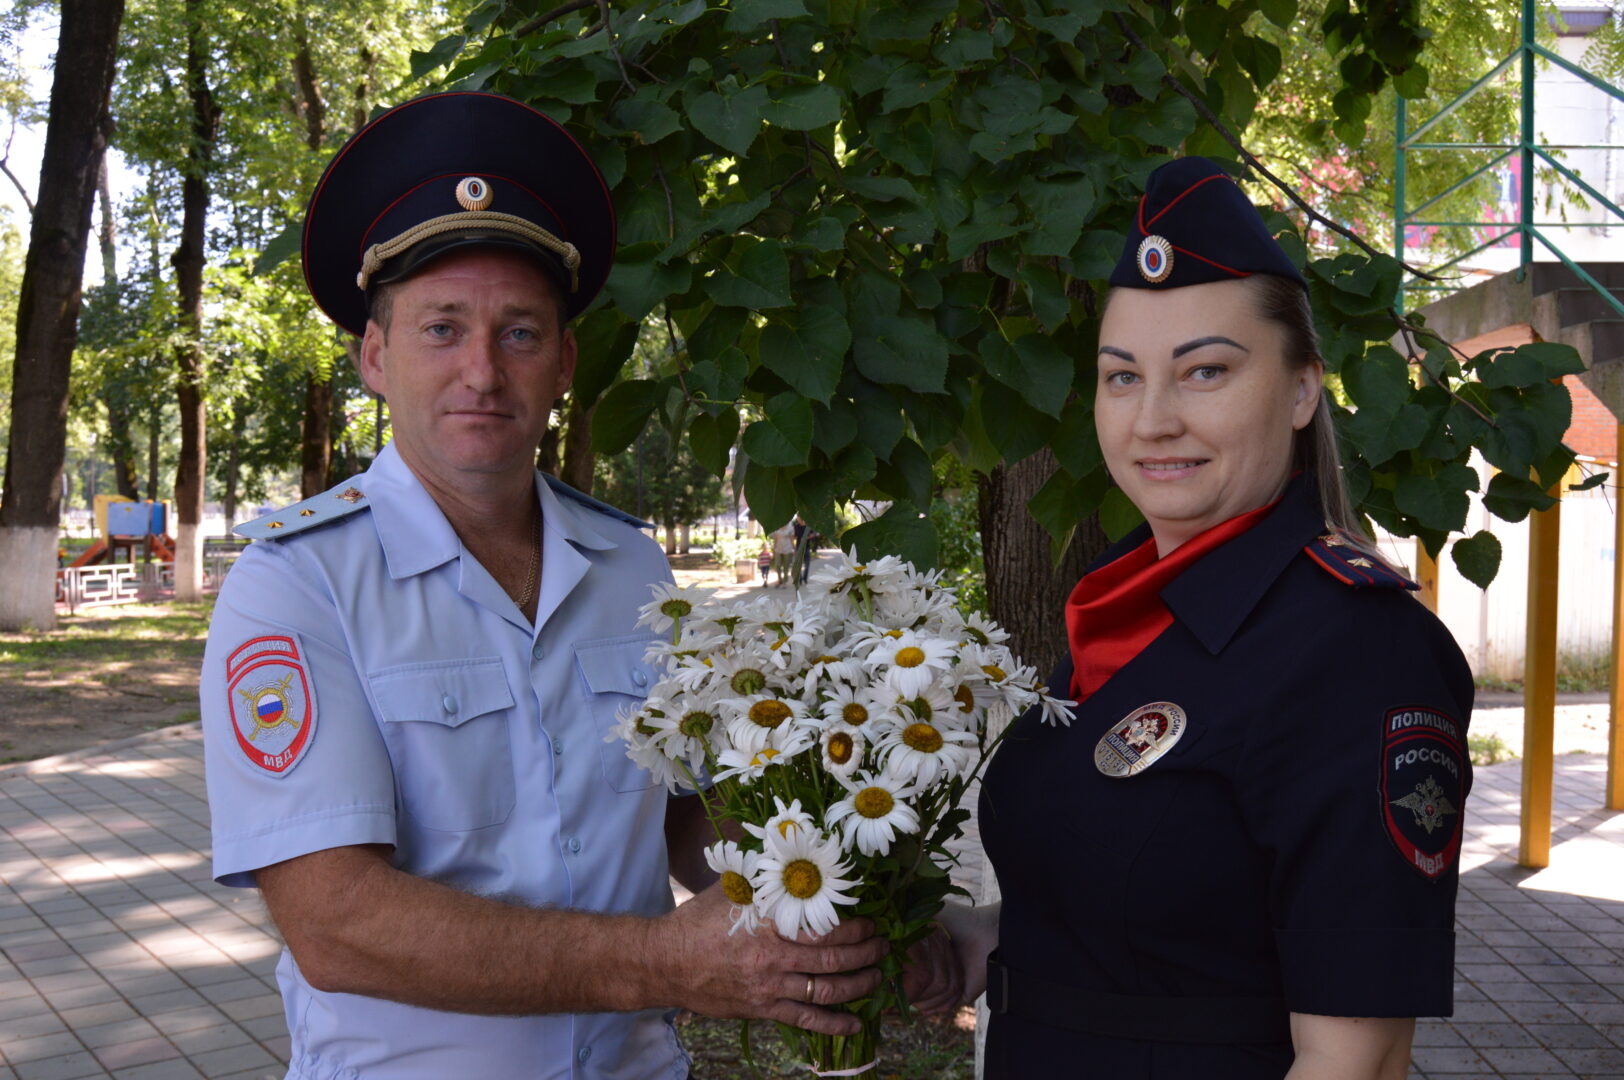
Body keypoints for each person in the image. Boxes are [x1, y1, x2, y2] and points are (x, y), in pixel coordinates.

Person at [199, 92, 891, 1080]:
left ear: (563, 363)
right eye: (441, 328)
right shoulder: (298, 584)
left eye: (519, 333)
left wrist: (810, 869)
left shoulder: (633, 569)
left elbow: (683, 811)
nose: (481, 370)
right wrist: (662, 961)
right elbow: (336, 923)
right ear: (373, 357)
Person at [937, 157, 1473, 1078]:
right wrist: (977, 941)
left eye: (1205, 371)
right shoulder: (1120, 613)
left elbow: (1358, 1060)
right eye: (1120, 377)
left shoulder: (1356, 650)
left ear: (1304, 389)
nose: (1152, 420)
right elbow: (1168, 930)